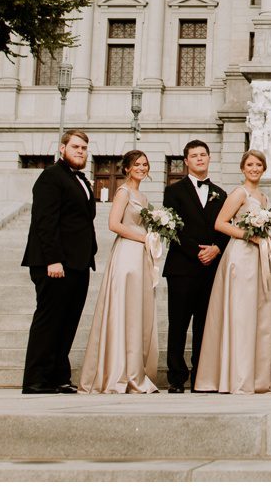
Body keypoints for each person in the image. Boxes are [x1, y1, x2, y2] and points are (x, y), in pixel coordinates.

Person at [20, 129, 97, 394]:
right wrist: (53, 260)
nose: (80, 151)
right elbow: (45, 221)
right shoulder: (51, 177)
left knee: (68, 322)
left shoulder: (81, 180)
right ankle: (35, 379)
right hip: (54, 263)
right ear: (62, 148)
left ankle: (57, 376)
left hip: (78, 263)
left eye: (84, 148)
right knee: (49, 320)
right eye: (75, 147)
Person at [79, 149, 162, 393]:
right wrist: (144, 236)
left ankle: (134, 370)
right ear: (126, 168)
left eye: (145, 164)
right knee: (124, 308)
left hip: (141, 256)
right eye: (137, 164)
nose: (142, 168)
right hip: (126, 254)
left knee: (137, 310)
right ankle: (117, 371)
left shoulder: (143, 197)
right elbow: (114, 224)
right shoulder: (123, 192)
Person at [194, 149, 271, 393]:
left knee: (256, 314)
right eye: (250, 164)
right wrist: (249, 236)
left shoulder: (263, 197)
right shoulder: (239, 193)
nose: (254, 169)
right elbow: (220, 223)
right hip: (240, 256)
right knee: (240, 313)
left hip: (258, 258)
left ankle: (256, 377)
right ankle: (236, 376)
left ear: (264, 169)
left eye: (259, 165)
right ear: (243, 168)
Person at [161, 139, 226, 392]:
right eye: (194, 156)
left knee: (204, 324)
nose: (199, 159)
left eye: (203, 155)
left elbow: (225, 226)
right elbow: (172, 226)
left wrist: (216, 248)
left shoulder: (220, 193)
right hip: (182, 266)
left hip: (211, 267)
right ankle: (176, 378)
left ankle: (201, 375)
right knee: (178, 323)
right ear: (186, 161)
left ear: (209, 159)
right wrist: (196, 252)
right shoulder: (173, 191)